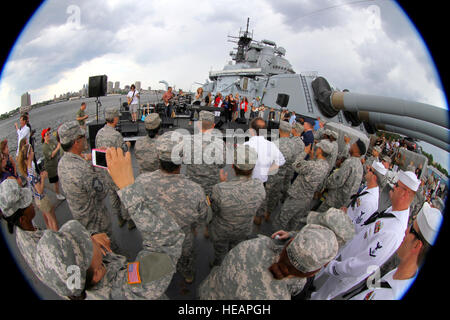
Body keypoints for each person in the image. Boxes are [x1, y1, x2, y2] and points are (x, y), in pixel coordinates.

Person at [34, 146, 185, 299]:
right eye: (86, 242)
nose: (90, 236)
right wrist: (128, 188)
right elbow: (168, 243)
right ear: (97, 274)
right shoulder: (130, 288)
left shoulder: (77, 282)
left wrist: (93, 239)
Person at [311, 170, 420, 300]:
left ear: (404, 193)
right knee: (317, 291)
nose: (393, 187)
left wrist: (334, 267)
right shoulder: (392, 212)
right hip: (343, 260)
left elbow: (364, 263)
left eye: (397, 185)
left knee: (323, 297)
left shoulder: (394, 230)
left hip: (346, 273)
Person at [0, 179, 107, 286]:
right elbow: (72, 282)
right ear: (22, 219)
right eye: (28, 205)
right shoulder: (39, 248)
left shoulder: (25, 229)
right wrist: (89, 245)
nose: (32, 204)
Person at [134, 131, 209, 284]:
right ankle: (188, 276)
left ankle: (160, 278)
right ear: (182, 159)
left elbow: (134, 210)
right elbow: (205, 217)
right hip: (182, 240)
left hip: (154, 240)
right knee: (186, 259)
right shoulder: (195, 190)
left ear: (158, 156)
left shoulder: (141, 182)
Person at [198, 224, 339, 300]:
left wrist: (291, 235)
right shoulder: (282, 295)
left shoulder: (254, 245)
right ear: (312, 273)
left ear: (289, 243)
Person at [348, 203, 442, 300]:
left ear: (417, 245)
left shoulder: (393, 295)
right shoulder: (401, 275)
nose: (406, 230)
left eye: (411, 229)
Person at [57, 121, 113, 243]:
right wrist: (100, 161)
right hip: (97, 224)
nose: (85, 138)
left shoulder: (62, 163)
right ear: (76, 142)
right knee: (110, 251)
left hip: (82, 221)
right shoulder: (83, 170)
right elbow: (103, 191)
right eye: (83, 136)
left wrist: (90, 158)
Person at [209, 145, 265, 266]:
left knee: (220, 251)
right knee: (235, 250)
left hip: (222, 230)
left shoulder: (220, 189)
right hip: (243, 229)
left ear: (233, 166)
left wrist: (222, 184)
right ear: (253, 167)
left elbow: (214, 210)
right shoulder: (260, 187)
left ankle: (218, 266)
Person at [273, 140, 332, 231]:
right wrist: (312, 158)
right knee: (295, 221)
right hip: (307, 199)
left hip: (297, 196)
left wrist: (305, 152)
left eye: (318, 148)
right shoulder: (325, 166)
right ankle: (287, 239)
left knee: (282, 219)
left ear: (320, 150)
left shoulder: (311, 165)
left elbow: (295, 165)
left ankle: (274, 239)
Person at [186, 111, 226, 238]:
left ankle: (193, 230)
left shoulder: (189, 141)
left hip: (193, 183)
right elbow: (221, 164)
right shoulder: (219, 143)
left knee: (192, 206)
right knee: (211, 205)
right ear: (213, 126)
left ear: (198, 125)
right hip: (211, 183)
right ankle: (208, 230)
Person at [95, 108, 134, 230]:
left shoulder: (99, 133)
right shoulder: (116, 135)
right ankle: (129, 220)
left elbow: (98, 152)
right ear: (115, 119)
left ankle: (119, 219)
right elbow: (123, 151)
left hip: (106, 171)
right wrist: (127, 145)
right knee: (124, 195)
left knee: (113, 195)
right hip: (117, 171)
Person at [244, 117, 285, 225]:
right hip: (261, 183)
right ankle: (258, 222)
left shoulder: (246, 145)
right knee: (260, 204)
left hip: (247, 182)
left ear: (251, 130)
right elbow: (281, 160)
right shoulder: (271, 146)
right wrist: (267, 170)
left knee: (245, 206)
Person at [17, 143, 58, 231]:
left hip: (37, 199)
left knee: (48, 218)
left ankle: (51, 234)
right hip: (42, 198)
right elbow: (40, 190)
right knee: (52, 220)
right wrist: (42, 178)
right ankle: (57, 236)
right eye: (31, 151)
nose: (33, 152)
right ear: (28, 155)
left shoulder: (28, 171)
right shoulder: (32, 173)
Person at [317, 139, 365, 213]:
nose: (351, 146)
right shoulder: (360, 166)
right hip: (342, 204)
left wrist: (325, 184)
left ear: (356, 149)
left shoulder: (350, 162)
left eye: (353, 145)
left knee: (320, 217)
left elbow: (337, 181)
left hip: (334, 200)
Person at [343, 161, 387, 233]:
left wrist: (344, 216)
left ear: (374, 177)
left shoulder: (370, 201)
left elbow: (356, 227)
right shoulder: (367, 188)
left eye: (370, 170)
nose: (367, 170)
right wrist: (347, 211)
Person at [41, 128, 65, 201]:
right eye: (47, 134)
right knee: (56, 182)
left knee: (59, 178)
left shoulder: (51, 141)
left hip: (56, 163)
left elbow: (57, 144)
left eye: (49, 133)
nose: (49, 135)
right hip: (51, 167)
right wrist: (58, 148)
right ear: (44, 137)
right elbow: (51, 155)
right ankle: (58, 194)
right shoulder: (44, 147)